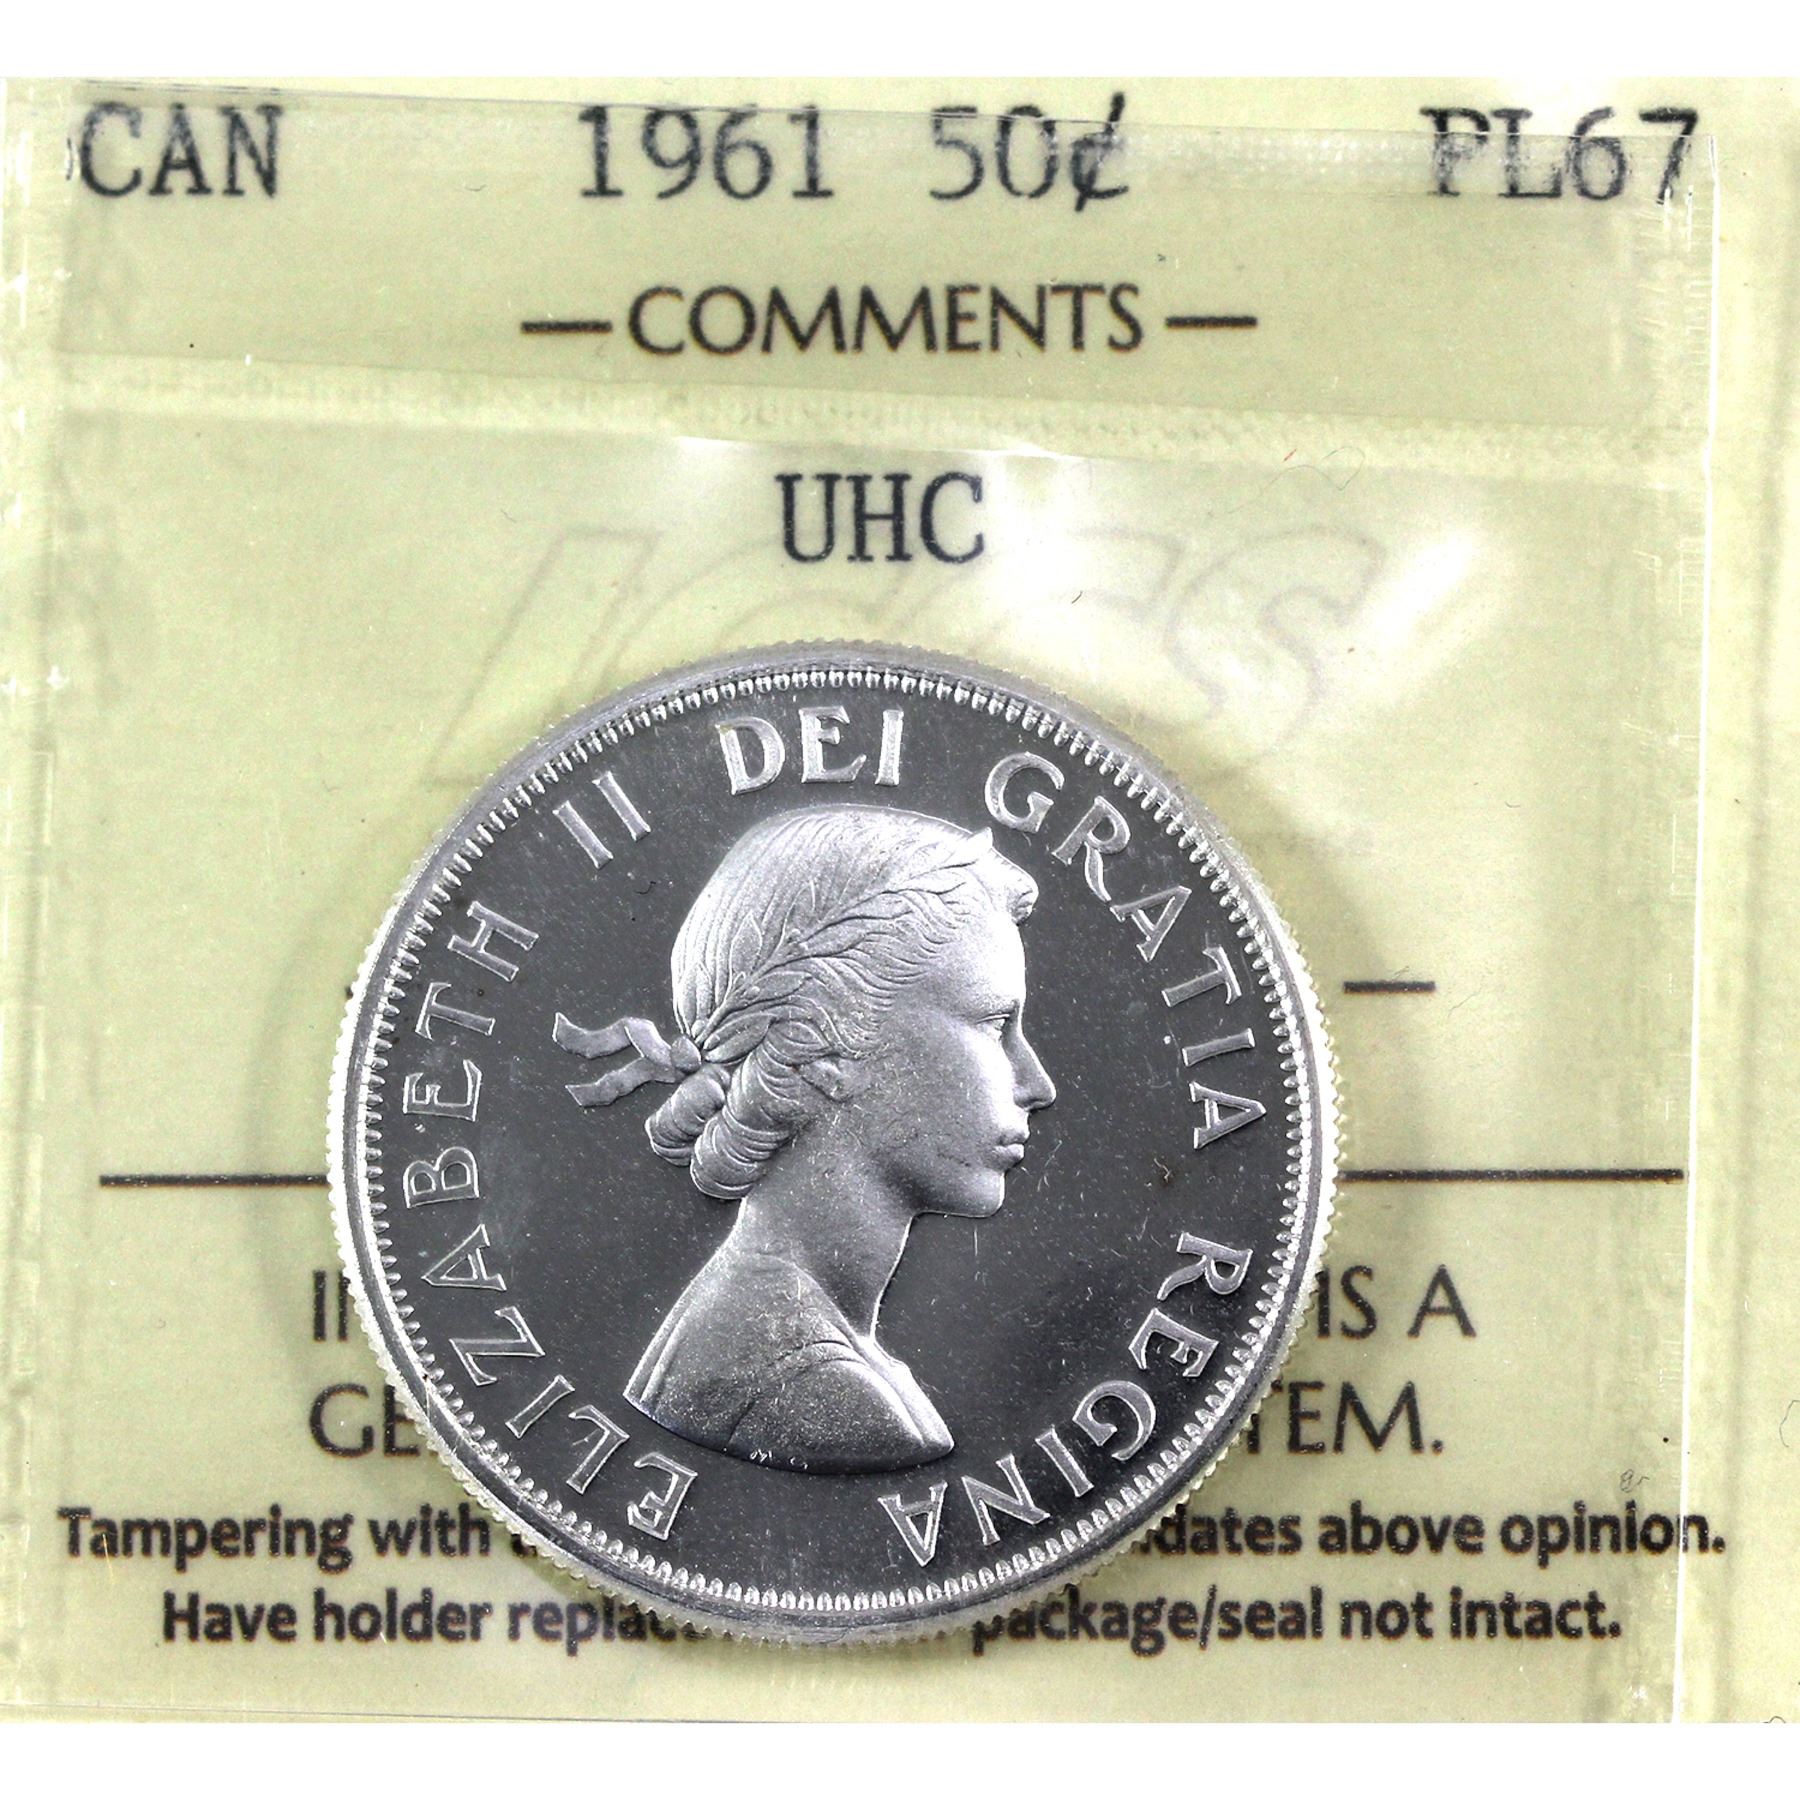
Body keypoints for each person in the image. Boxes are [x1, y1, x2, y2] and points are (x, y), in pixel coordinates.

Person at [555, 803, 1056, 1476]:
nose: (1037, 1084)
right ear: (826, 1046)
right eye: (994, 1025)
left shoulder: (789, 1337)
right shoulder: (807, 1386)